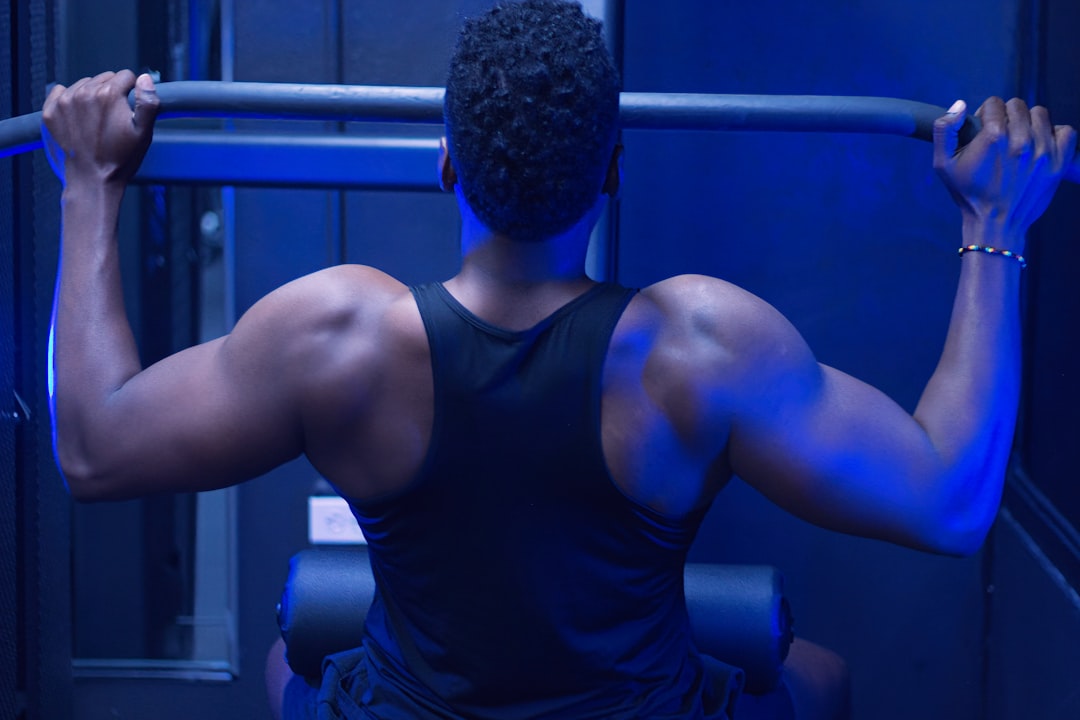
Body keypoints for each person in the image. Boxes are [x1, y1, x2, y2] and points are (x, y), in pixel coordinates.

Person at [40, 0, 1075, 718]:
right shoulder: (700, 346)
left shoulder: (336, 335)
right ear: (613, 171)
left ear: (447, 162)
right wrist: (996, 224)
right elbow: (951, 497)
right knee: (822, 680)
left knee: (286, 663)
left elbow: (91, 447)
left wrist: (90, 184)